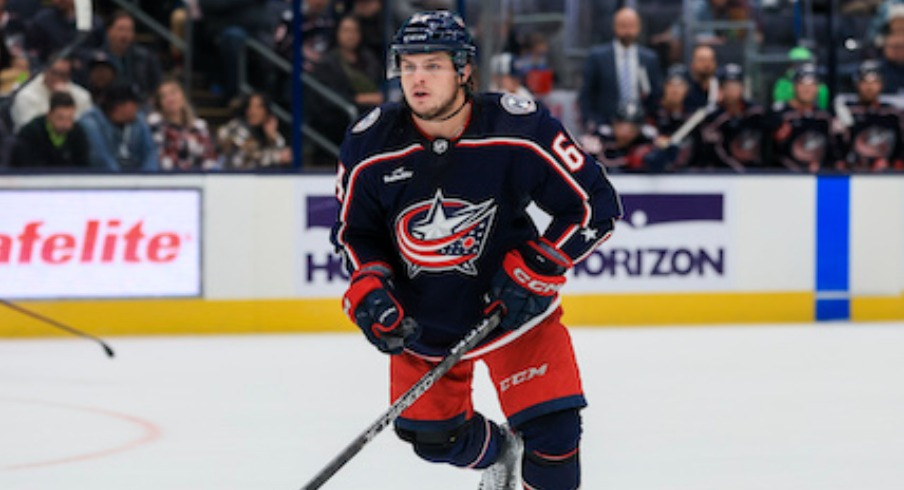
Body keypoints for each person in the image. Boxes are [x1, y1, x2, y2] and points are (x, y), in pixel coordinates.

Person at [332, 12, 622, 490]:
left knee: (556, 436)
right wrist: (371, 287)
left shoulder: (518, 129)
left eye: (433, 66)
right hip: (422, 321)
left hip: (510, 310)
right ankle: (503, 453)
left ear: (464, 70)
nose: (417, 78)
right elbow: (354, 234)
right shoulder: (370, 144)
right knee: (434, 439)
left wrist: (538, 267)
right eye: (408, 66)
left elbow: (595, 206)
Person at [307, 14, 384, 165]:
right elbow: (326, 98)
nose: (350, 35)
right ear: (337, 33)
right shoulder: (328, 63)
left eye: (354, 31)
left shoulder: (369, 60)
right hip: (337, 124)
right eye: (346, 30)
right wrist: (359, 99)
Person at [578, 7, 663, 127]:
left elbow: (655, 94)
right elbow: (586, 94)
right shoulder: (597, 56)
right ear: (614, 26)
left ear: (639, 27)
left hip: (640, 125)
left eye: (631, 25)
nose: (627, 30)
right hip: (605, 124)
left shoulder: (649, 58)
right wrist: (591, 121)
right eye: (623, 25)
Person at [767, 63, 842, 172]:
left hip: (818, 177)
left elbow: (834, 153)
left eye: (812, 85)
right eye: (802, 84)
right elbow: (766, 151)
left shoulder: (824, 117)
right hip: (783, 178)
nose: (807, 89)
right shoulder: (779, 114)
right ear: (794, 86)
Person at [837, 59, 904, 171]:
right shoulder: (847, 110)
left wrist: (896, 163)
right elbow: (839, 148)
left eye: (874, 82)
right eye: (865, 82)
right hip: (854, 171)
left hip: (889, 174)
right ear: (857, 84)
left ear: (881, 84)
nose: (869, 87)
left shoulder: (893, 113)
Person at [699, 63, 767, 171]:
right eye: (728, 85)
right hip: (724, 175)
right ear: (721, 88)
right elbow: (712, 152)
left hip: (757, 174)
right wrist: (738, 171)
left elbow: (766, 145)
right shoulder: (713, 117)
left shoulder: (756, 112)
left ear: (742, 87)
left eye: (736, 85)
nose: (732, 90)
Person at [79, 82, 159, 171]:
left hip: (136, 179)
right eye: (134, 103)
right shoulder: (90, 123)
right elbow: (101, 159)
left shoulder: (139, 119)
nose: (138, 107)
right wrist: (122, 180)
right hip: (103, 181)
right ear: (119, 106)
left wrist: (147, 178)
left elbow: (150, 153)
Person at [147, 78, 219, 171]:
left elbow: (209, 157)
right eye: (163, 96)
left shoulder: (199, 126)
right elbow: (159, 157)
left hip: (198, 178)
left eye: (173, 93)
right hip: (168, 178)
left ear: (183, 96)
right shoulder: (156, 124)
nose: (170, 99)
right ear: (160, 103)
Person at [9, 90, 90, 169]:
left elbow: (84, 166)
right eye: (60, 118)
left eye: (70, 118)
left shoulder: (77, 133)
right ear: (49, 115)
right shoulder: (31, 133)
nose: (66, 124)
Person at [9, 56, 93, 131]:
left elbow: (85, 130)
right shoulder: (26, 96)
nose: (57, 78)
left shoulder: (82, 96)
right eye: (54, 73)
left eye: (63, 75)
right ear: (46, 70)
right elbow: (30, 130)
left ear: (69, 76)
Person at [217, 91, 291, 169]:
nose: (252, 111)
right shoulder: (238, 127)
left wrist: (271, 138)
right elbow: (252, 155)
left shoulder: (272, 135)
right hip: (234, 176)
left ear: (266, 111)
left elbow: (284, 156)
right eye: (250, 106)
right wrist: (276, 157)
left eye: (257, 107)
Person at [100, 10, 163, 101]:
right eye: (121, 29)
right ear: (109, 31)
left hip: (139, 106)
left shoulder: (145, 57)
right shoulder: (99, 59)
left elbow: (156, 86)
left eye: (129, 30)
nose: (125, 35)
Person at [683, 44, 719, 111]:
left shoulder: (720, 90)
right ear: (692, 64)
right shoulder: (685, 90)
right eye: (702, 60)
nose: (706, 64)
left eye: (710, 60)